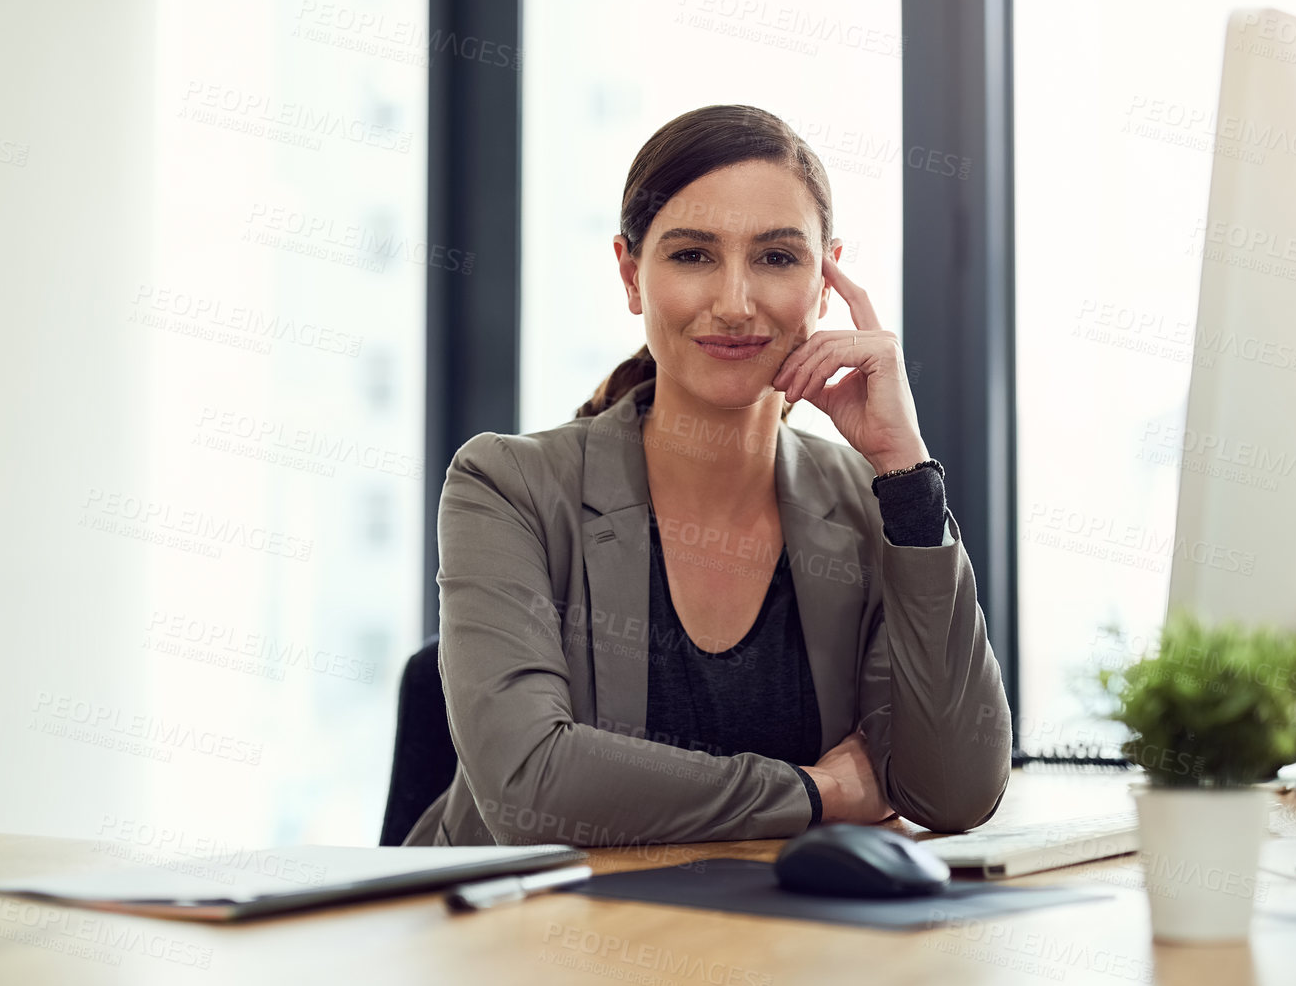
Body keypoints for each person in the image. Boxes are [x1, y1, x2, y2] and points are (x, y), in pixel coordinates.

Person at [404, 104, 1011, 847]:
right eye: (692, 255)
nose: (733, 303)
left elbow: (954, 790)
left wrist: (905, 471)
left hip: (763, 942)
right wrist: (814, 793)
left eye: (776, 257)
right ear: (631, 275)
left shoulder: (866, 503)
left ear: (825, 281)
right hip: (520, 941)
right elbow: (532, 786)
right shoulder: (507, 485)